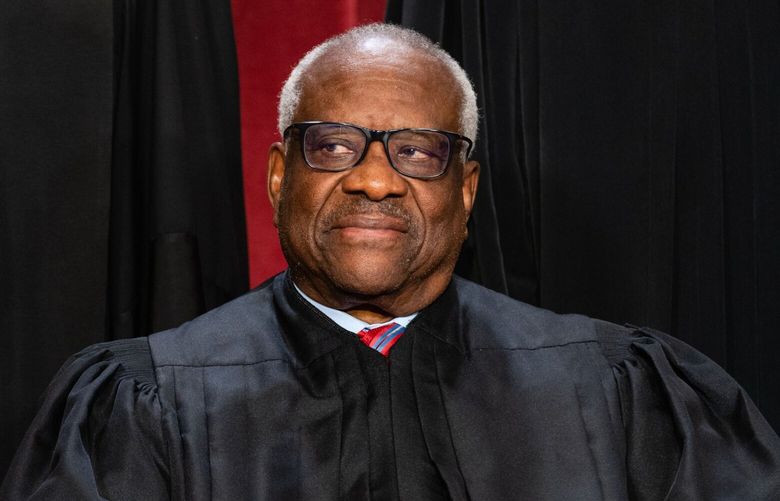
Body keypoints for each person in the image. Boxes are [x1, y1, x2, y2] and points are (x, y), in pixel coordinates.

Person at [3, 23, 779, 500]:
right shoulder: (145, 405)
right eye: (333, 145)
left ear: (467, 188)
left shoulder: (615, 393)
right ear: (280, 176)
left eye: (418, 150)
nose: (375, 178)